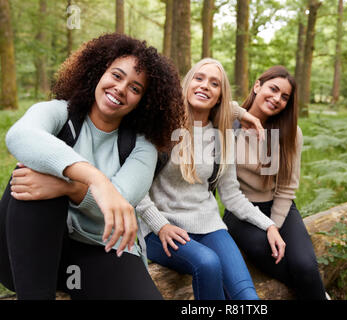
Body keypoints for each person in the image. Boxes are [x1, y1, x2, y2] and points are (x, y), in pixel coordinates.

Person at [0, 33, 185, 300]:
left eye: (135, 88)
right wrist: (96, 180)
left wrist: (68, 187)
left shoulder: (142, 146)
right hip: (26, 251)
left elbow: (118, 204)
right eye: (116, 75)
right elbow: (20, 135)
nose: (121, 89)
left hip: (98, 249)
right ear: (98, 73)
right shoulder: (59, 113)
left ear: (144, 101)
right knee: (35, 176)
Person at [136, 58, 285, 300]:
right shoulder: (160, 125)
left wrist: (269, 224)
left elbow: (232, 196)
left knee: (247, 297)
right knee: (207, 264)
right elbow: (137, 189)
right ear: (187, 84)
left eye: (214, 84)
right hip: (159, 229)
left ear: (220, 97)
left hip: (209, 226)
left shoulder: (222, 136)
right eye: (199, 78)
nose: (205, 86)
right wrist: (160, 225)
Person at [223, 65, 327, 300]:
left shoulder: (290, 133)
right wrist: (241, 114)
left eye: (285, 97)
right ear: (257, 85)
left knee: (304, 265)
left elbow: (287, 187)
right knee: (264, 249)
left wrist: (274, 226)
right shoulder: (228, 125)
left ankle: (315, 290)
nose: (277, 98)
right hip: (241, 209)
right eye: (273, 89)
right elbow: (212, 105)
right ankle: (314, 291)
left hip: (279, 205)